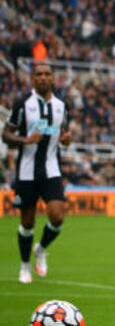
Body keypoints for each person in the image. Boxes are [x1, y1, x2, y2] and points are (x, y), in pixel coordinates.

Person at [2, 63, 72, 283]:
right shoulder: (23, 104)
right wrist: (25, 140)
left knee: (58, 217)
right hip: (27, 172)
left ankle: (41, 249)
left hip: (51, 169)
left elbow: (62, 132)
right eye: (39, 74)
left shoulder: (61, 105)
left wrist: (66, 139)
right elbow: (6, 134)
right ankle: (24, 266)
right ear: (32, 78)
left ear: (53, 78)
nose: (43, 77)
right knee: (28, 222)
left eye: (47, 74)